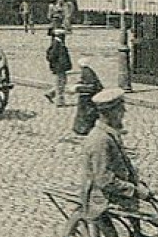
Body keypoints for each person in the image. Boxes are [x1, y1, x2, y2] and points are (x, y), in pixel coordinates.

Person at [77, 88, 152, 216]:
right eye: (121, 109)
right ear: (111, 113)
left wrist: (137, 184)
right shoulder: (100, 140)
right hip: (102, 198)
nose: (124, 113)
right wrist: (134, 191)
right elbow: (104, 180)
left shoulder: (109, 134)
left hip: (116, 194)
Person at [70, 63, 104, 138]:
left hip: (87, 97)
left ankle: (83, 129)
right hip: (86, 96)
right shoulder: (87, 71)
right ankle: (82, 129)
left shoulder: (86, 72)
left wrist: (78, 88)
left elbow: (91, 87)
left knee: (86, 114)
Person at [45, 29, 73, 105]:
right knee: (60, 83)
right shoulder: (56, 43)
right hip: (59, 67)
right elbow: (52, 56)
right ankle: (60, 102)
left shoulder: (58, 43)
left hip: (61, 66)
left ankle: (50, 93)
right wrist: (56, 64)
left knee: (62, 82)